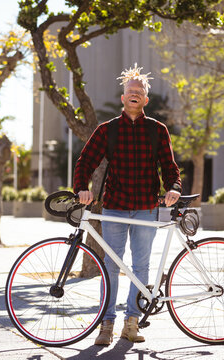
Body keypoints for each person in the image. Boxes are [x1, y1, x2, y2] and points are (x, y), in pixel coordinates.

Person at [73, 64, 182, 346]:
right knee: (110, 266)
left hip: (146, 208)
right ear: (122, 98)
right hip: (115, 207)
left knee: (140, 268)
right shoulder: (107, 130)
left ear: (146, 99)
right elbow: (85, 162)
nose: (134, 94)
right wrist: (81, 188)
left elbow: (170, 168)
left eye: (140, 91)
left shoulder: (157, 130)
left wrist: (173, 188)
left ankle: (131, 323)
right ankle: (106, 325)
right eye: (130, 90)